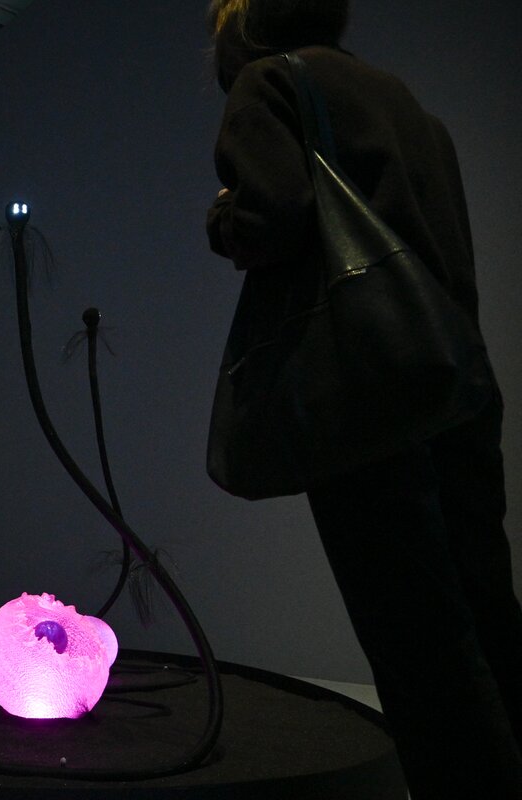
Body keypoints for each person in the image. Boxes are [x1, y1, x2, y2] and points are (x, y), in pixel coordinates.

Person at [203, 1, 522, 797]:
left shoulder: (267, 84)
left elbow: (271, 215)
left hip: (366, 399)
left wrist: (223, 218)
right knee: (488, 619)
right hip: (454, 383)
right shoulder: (402, 100)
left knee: (417, 643)